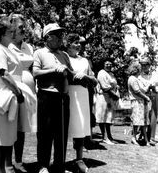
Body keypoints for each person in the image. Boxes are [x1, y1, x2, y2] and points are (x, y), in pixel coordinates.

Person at [0, 15, 36, 173]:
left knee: (7, 134)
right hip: (1, 94)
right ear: (3, 33)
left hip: (9, 94)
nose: (13, 33)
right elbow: (4, 74)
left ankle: (7, 168)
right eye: (10, 31)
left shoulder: (6, 49)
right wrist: (18, 91)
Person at [33, 23, 73, 173]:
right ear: (48, 37)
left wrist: (67, 70)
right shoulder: (39, 53)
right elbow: (35, 73)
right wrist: (53, 70)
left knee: (61, 133)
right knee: (45, 133)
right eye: (57, 35)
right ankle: (43, 165)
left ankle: (59, 165)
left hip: (62, 97)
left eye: (61, 35)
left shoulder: (64, 55)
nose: (61, 38)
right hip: (46, 96)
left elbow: (71, 74)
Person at [8, 14, 37, 173]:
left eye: (25, 27)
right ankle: (7, 162)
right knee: (10, 127)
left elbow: (32, 68)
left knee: (22, 128)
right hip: (12, 90)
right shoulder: (6, 46)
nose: (24, 30)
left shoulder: (29, 47)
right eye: (20, 27)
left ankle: (19, 161)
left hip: (28, 91)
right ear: (11, 28)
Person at [65, 33, 97, 173]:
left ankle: (79, 159)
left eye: (79, 42)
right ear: (68, 44)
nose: (78, 45)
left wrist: (85, 76)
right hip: (67, 94)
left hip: (82, 95)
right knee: (64, 129)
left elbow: (95, 80)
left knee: (80, 128)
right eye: (75, 42)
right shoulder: (63, 57)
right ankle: (60, 161)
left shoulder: (84, 60)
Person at [138, 56, 158, 145]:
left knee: (153, 117)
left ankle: (151, 137)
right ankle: (142, 136)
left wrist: (154, 88)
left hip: (153, 97)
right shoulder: (139, 76)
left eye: (146, 64)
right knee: (143, 117)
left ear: (149, 65)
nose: (144, 66)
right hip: (144, 97)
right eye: (142, 65)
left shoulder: (155, 75)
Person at [95, 59, 119, 145]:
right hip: (103, 97)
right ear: (103, 65)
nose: (109, 65)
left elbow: (114, 85)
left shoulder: (111, 74)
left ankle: (109, 136)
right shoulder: (101, 73)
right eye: (107, 64)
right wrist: (114, 95)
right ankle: (104, 137)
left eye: (110, 64)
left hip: (110, 98)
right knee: (103, 118)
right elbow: (105, 87)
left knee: (108, 118)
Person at [127, 61, 151, 146]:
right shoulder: (132, 78)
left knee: (143, 122)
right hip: (137, 101)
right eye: (140, 68)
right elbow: (137, 91)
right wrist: (146, 97)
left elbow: (143, 89)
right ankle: (134, 137)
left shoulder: (137, 79)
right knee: (136, 121)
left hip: (141, 102)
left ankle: (146, 139)